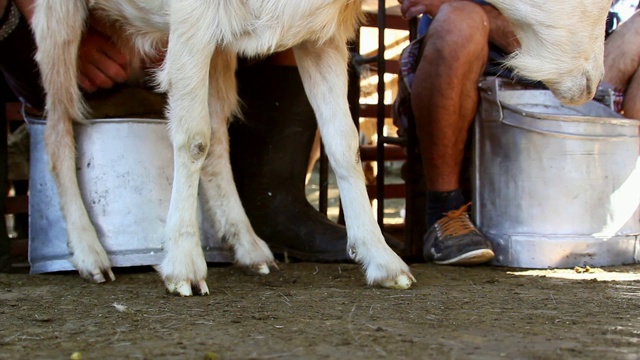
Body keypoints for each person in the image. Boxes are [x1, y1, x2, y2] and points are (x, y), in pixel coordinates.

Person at [0, 0, 350, 265]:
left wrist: (171, 31)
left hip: (156, 33)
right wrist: (39, 17)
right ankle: (73, 223)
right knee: (56, 16)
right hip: (37, 30)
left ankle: (253, 215)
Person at [396, 0, 640, 266]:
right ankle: (445, 211)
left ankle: (632, 214)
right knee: (459, 19)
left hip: (587, 73)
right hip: (484, 68)